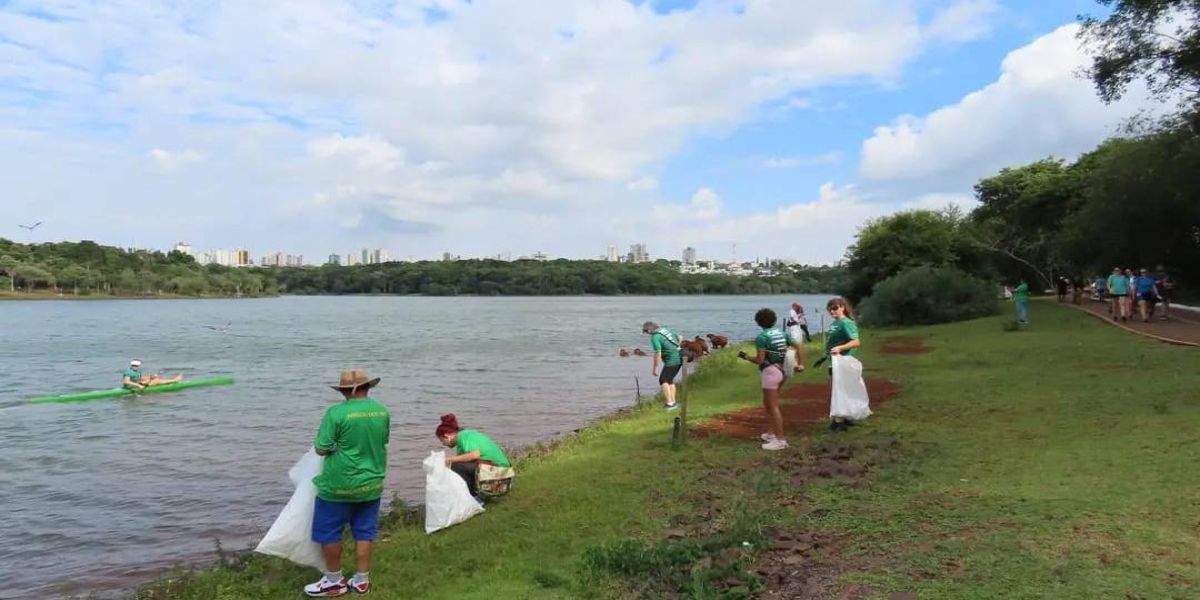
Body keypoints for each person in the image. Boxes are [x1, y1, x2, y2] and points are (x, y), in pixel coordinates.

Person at [304, 369, 390, 598]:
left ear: (345, 390)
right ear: (368, 387)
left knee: (329, 532)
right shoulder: (382, 411)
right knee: (364, 532)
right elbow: (383, 441)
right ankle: (362, 581)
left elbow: (322, 448)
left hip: (338, 485)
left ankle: (334, 581)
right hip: (372, 484)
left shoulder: (336, 413)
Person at [737, 308, 804, 451]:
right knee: (768, 403)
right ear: (774, 320)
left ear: (758, 322)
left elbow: (760, 360)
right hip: (783, 370)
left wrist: (746, 357)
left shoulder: (762, 337)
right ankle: (770, 433)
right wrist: (800, 363)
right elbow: (798, 346)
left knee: (772, 406)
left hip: (770, 372)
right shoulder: (781, 332)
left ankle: (780, 440)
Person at [436, 414, 514, 500]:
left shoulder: (463, 436)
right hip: (504, 474)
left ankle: (472, 498)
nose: (443, 444)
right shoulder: (465, 437)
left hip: (500, 473)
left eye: (442, 441)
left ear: (446, 436)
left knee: (458, 466)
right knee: (459, 465)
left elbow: (475, 455)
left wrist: (449, 459)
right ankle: (472, 496)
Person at [825, 297, 861, 432]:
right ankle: (846, 417)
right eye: (830, 310)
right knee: (839, 389)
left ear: (842, 307)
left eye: (834, 309)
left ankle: (838, 421)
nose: (832, 312)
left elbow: (856, 342)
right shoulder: (836, 323)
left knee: (839, 390)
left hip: (843, 361)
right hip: (833, 360)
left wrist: (840, 348)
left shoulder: (847, 323)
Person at [643, 321, 683, 410]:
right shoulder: (665, 330)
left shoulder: (655, 337)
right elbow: (680, 337)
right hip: (680, 357)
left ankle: (669, 404)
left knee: (663, 380)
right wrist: (676, 347)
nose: (646, 333)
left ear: (650, 330)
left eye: (646, 331)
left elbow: (658, 353)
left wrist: (655, 368)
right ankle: (673, 402)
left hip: (672, 360)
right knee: (669, 380)